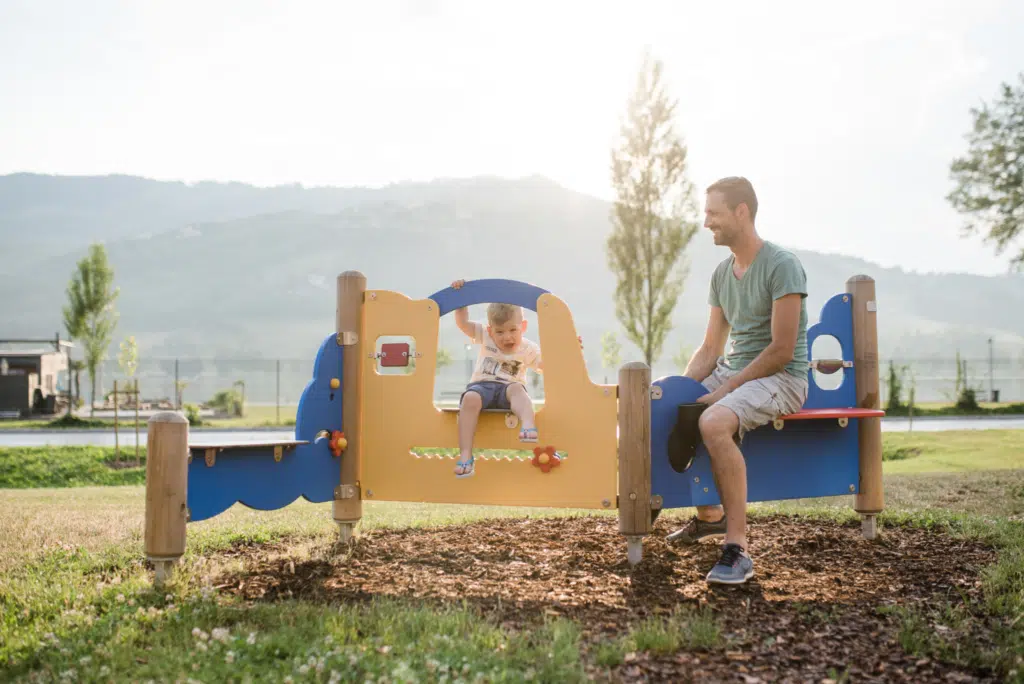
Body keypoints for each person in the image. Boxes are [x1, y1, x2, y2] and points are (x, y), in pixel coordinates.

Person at [669, 176, 809, 585]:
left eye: (713, 212)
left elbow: (782, 350)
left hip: (782, 377)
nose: (706, 221)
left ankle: (737, 549)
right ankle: (709, 517)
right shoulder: (721, 274)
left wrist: (725, 390)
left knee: (712, 421)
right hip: (737, 372)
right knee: (667, 407)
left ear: (741, 212)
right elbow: (711, 349)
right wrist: (671, 391)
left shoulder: (782, 265)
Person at [449, 279, 543, 478]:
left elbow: (545, 366)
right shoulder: (485, 336)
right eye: (500, 332)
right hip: (482, 386)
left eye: (512, 330)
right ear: (491, 330)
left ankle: (527, 424)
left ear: (523, 327)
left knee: (518, 390)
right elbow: (463, 324)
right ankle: (465, 455)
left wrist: (570, 350)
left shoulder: (528, 348)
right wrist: (461, 299)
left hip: (509, 390)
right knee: (469, 399)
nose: (507, 337)